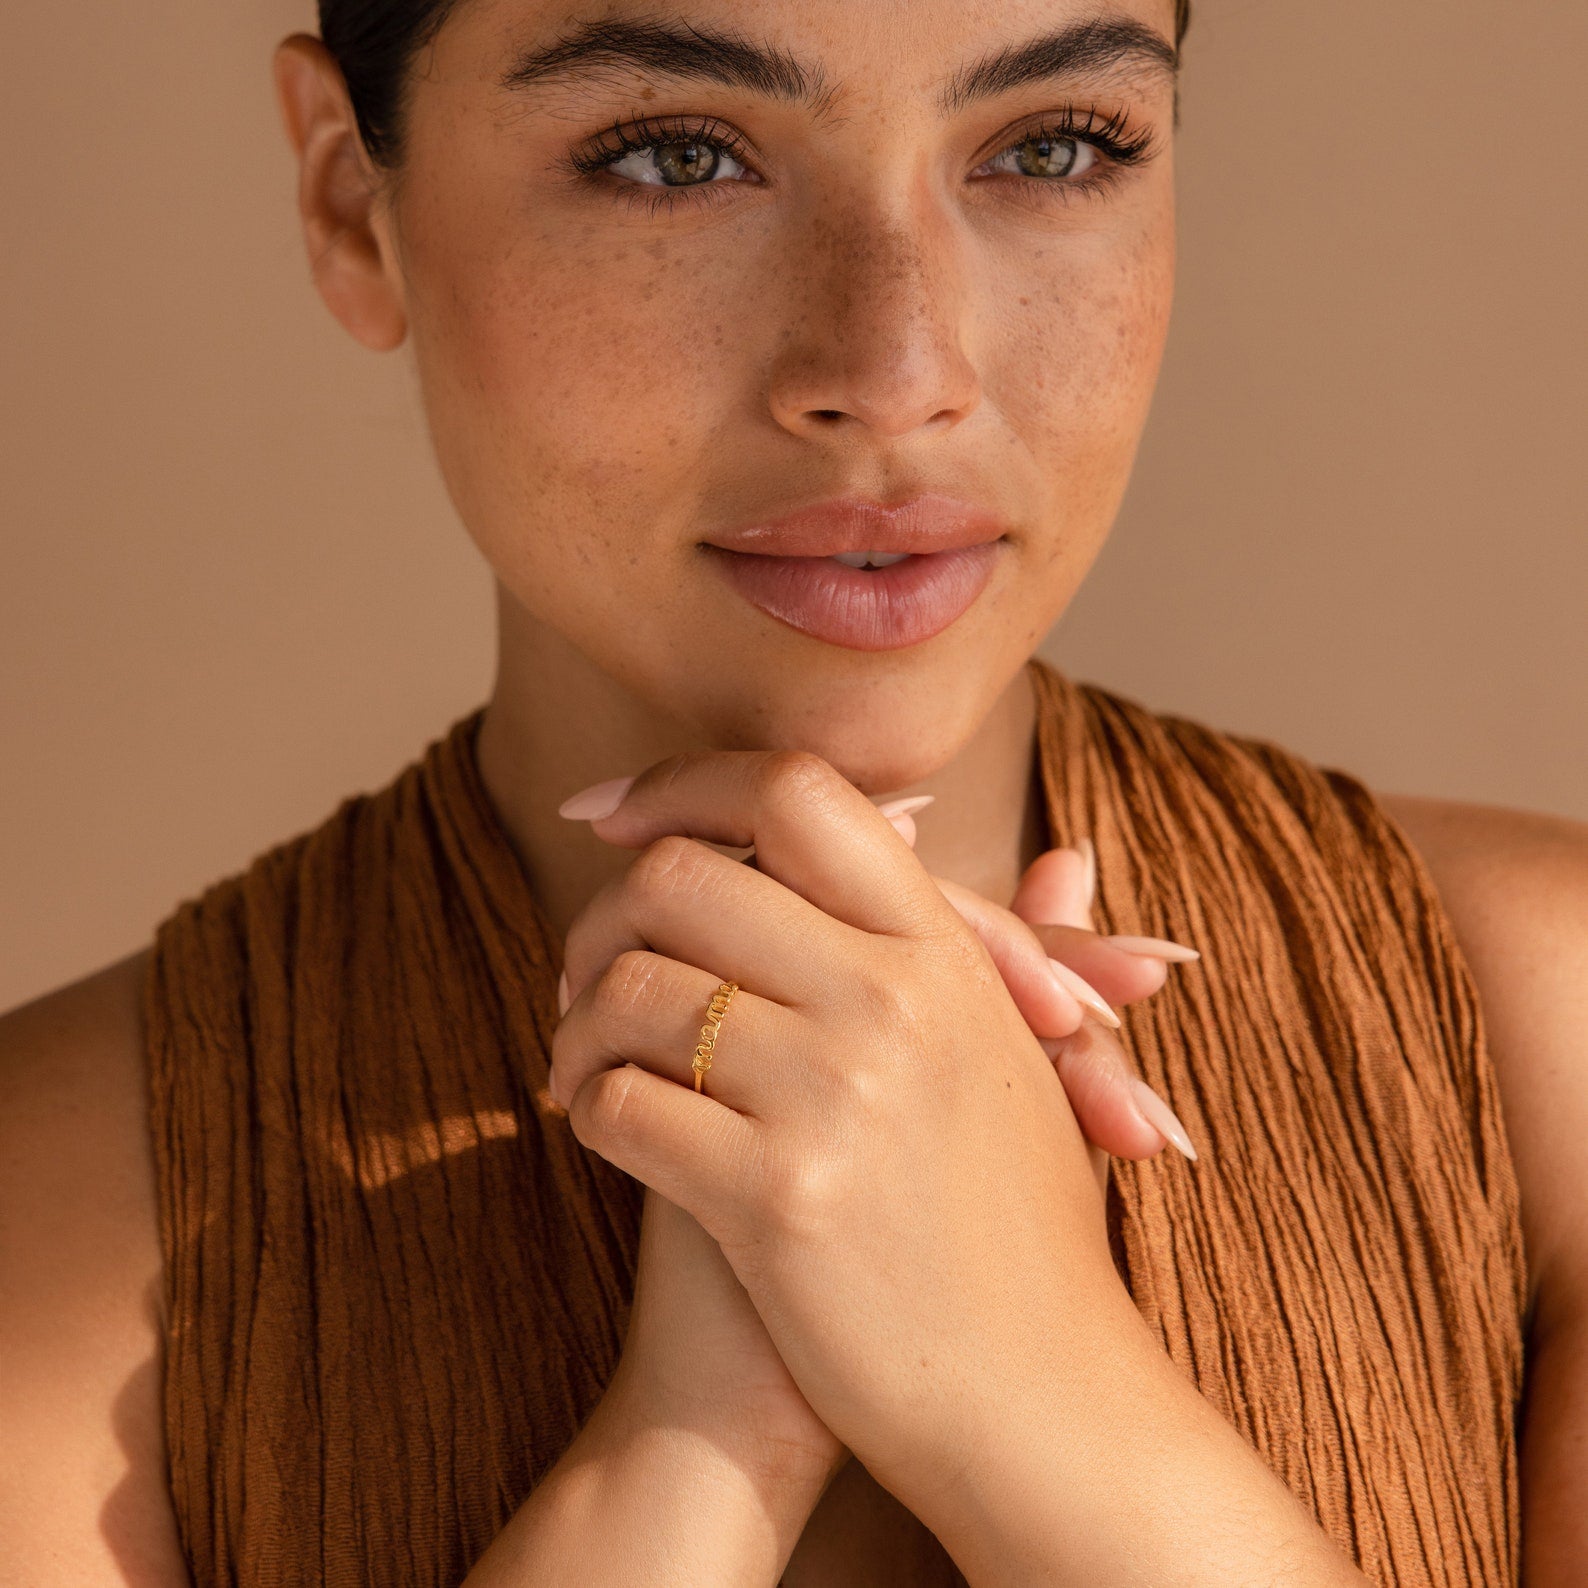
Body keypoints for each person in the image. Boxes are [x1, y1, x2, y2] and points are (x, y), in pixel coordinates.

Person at [1, 0, 1583, 1582]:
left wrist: (1037, 1387)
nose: (897, 374)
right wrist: (686, 1458)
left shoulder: (1549, 1041)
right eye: (678, 156)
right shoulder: (49, 1220)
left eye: (1054, 146)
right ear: (356, 202)